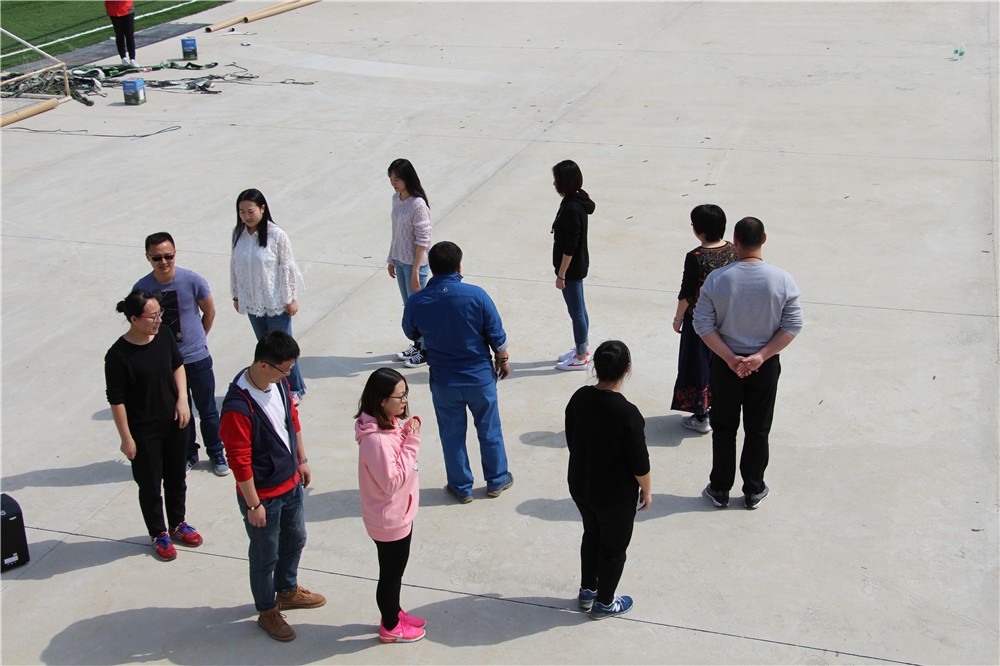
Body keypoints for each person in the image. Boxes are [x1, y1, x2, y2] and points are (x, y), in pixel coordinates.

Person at [220, 331, 325, 642]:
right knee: (265, 555)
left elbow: (293, 420)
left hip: (291, 484)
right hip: (264, 497)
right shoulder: (238, 406)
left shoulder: (277, 383)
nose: (289, 374)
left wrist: (302, 460)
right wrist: (253, 505)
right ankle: (267, 610)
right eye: (285, 369)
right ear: (264, 365)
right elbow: (239, 460)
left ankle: (288, 589)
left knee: (296, 539)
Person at [693, 217, 803, 510]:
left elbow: (701, 323)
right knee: (758, 429)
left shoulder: (718, 279)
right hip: (764, 368)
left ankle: (719, 489)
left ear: (736, 242)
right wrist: (760, 357)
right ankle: (754, 489)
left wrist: (730, 358)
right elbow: (793, 324)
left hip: (725, 367)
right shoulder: (782, 279)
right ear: (764, 238)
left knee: (724, 428)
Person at [402, 241, 514, 503]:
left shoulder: (418, 301)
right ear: (459, 266)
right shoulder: (477, 295)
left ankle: (461, 486)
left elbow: (410, 332)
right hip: (479, 379)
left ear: (431, 267)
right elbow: (497, 335)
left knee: (452, 435)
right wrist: (503, 359)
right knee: (489, 430)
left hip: (444, 381)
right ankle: (496, 480)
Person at [105, 289, 203, 562]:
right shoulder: (117, 356)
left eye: (160, 314)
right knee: (149, 485)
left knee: (176, 477)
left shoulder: (165, 336)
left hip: (175, 422)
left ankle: (178, 523)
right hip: (144, 431)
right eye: (153, 316)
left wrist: (183, 399)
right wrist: (126, 438)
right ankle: (158, 532)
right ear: (135, 319)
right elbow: (117, 400)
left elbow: (177, 366)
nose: (159, 320)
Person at [565, 340, 651, 620]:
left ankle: (588, 589)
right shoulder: (627, 413)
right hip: (614, 496)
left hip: (581, 486)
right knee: (613, 549)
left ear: (595, 367)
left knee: (591, 535)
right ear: (626, 370)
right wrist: (647, 492)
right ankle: (604, 603)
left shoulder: (579, 398)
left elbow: (572, 439)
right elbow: (639, 462)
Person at [134, 232, 229, 476]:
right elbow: (139, 326)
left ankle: (217, 453)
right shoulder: (142, 288)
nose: (163, 262)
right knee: (179, 413)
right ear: (148, 257)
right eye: (157, 258)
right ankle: (188, 454)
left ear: (175, 254)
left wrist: (199, 338)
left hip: (196, 358)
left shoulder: (192, 280)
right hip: (166, 364)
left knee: (207, 410)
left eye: (168, 256)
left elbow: (209, 312)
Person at [355, 368, 426, 644]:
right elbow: (393, 481)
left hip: (398, 513)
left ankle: (394, 612)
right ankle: (390, 625)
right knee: (391, 575)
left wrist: (405, 432)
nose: (405, 400)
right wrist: (413, 441)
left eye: (406, 393)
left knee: (394, 572)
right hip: (390, 520)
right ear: (382, 400)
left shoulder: (387, 422)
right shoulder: (376, 441)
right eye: (400, 395)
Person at [231, 188, 307, 404]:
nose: (246, 216)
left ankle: (295, 389)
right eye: (241, 212)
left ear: (263, 209)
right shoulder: (238, 235)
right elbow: (235, 267)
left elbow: (286, 267)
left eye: (250, 211)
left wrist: (290, 298)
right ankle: (274, 385)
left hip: (276, 303)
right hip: (253, 303)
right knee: (265, 349)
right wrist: (237, 295)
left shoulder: (276, 235)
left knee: (283, 350)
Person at [670, 205, 738, 434]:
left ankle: (701, 416)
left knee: (697, 365)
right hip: (726, 318)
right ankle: (718, 407)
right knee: (719, 363)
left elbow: (687, 293)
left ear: (698, 230)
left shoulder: (696, 257)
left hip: (700, 322)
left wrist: (678, 319)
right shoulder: (731, 250)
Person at [386, 158, 433, 368]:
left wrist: (415, 271)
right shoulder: (396, 199)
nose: (394, 183)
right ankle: (417, 343)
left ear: (408, 178)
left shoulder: (418, 204)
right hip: (401, 261)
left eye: (397, 179)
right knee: (409, 308)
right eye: (391, 178)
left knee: (420, 310)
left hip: (416, 266)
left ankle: (426, 350)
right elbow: (396, 232)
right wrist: (391, 258)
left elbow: (423, 240)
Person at [550, 159, 596, 371]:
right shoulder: (579, 198)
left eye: (556, 180)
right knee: (580, 310)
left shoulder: (571, 208)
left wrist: (561, 275)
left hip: (572, 269)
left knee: (576, 313)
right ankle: (582, 348)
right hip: (577, 266)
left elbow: (570, 245)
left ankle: (580, 356)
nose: (554, 184)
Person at [105, 1, 137, 68]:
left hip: (127, 9)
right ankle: (123, 58)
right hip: (113, 12)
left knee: (129, 35)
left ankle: (132, 59)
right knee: (119, 35)